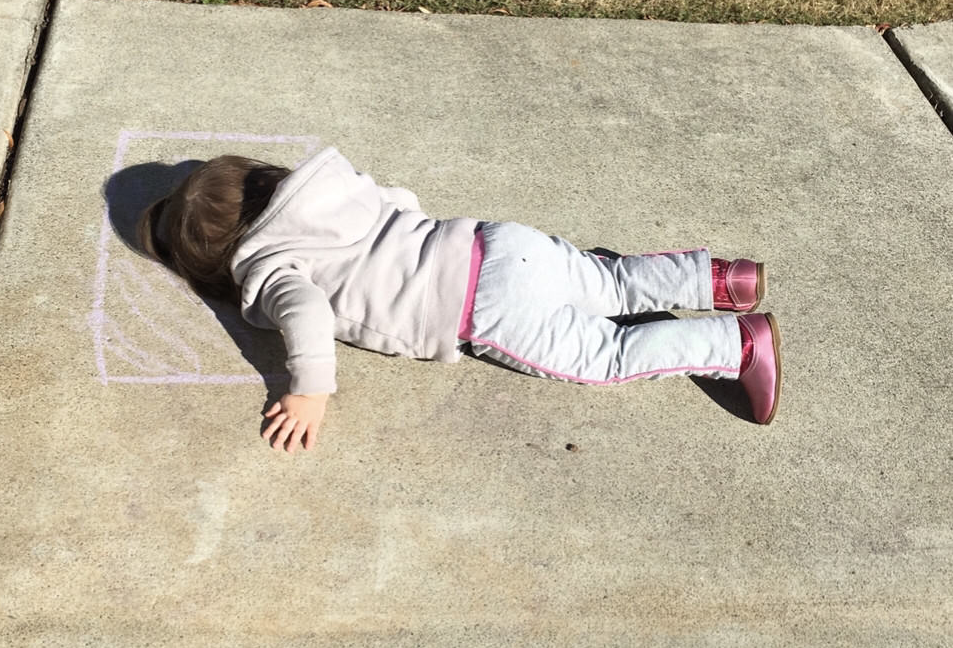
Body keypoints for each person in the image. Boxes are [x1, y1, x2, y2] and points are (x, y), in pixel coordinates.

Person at [138, 147, 781, 452]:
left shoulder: (273, 265)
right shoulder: (324, 191)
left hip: (479, 309)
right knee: (608, 281)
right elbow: (401, 199)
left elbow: (305, 313)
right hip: (490, 242)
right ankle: (720, 281)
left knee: (606, 354)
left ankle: (734, 346)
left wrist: (309, 389)